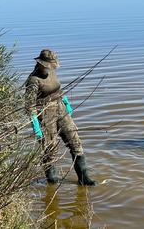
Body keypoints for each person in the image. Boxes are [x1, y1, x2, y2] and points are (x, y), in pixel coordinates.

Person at [25, 49, 96, 186]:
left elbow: (58, 89)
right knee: (50, 149)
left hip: (60, 108)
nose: (50, 68)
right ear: (40, 64)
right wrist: (35, 124)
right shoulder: (33, 80)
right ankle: (52, 181)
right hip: (44, 113)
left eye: (52, 66)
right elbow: (29, 106)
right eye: (48, 65)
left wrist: (66, 102)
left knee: (75, 141)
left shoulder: (52, 72)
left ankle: (84, 178)